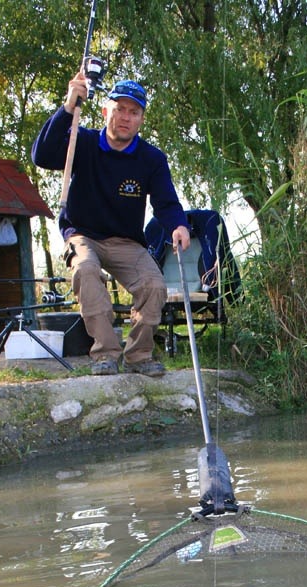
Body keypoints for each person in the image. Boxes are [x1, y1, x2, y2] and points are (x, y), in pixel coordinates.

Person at [32, 72, 191, 376]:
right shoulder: (83, 141)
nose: (125, 118)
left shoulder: (152, 159)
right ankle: (105, 354)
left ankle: (139, 356)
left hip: (126, 241)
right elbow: (42, 155)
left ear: (141, 119)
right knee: (87, 270)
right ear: (106, 111)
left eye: (134, 112)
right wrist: (68, 106)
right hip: (82, 234)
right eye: (119, 109)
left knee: (154, 285)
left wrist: (178, 226)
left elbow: (167, 204)